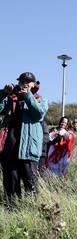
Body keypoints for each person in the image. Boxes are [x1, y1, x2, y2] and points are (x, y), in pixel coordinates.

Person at [0, 72, 48, 208]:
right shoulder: (10, 98)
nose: (25, 83)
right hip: (10, 146)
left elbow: (38, 113)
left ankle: (31, 210)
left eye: (28, 81)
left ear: (34, 84)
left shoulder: (40, 99)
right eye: (22, 81)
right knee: (11, 182)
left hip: (28, 148)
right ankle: (11, 210)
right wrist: (4, 93)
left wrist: (27, 96)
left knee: (30, 182)